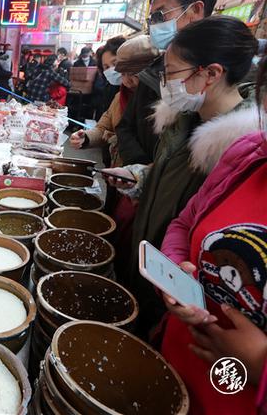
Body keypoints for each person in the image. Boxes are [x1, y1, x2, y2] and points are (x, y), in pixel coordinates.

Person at [105, 17, 258, 341]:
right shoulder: (184, 119)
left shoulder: (241, 152)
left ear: (211, 74)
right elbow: (172, 181)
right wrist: (140, 177)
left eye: (171, 73)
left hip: (180, 299)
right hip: (153, 265)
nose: (164, 82)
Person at [159, 57, 267, 414]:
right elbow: (183, 224)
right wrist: (174, 273)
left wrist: (260, 365)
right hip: (177, 364)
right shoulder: (248, 155)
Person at [115, 0, 217, 166]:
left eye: (159, 15)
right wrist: (139, 169)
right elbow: (125, 126)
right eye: (151, 19)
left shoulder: (223, 78)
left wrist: (153, 176)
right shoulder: (153, 70)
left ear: (195, 10)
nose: (154, 26)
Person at [70, 36, 158, 170]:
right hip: (116, 170)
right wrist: (85, 138)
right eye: (106, 67)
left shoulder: (161, 101)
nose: (126, 79)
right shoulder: (119, 96)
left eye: (132, 72)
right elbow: (103, 127)